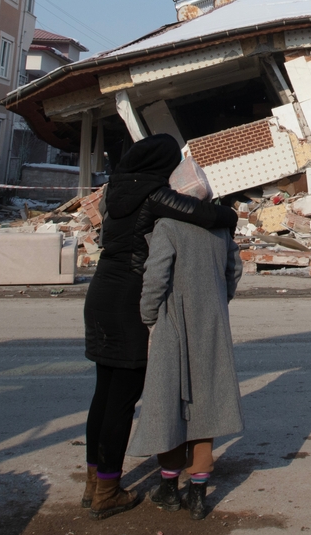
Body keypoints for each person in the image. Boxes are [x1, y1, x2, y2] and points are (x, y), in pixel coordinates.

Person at [82, 135, 238, 520]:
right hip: (129, 299)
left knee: (103, 393)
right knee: (122, 399)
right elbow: (203, 214)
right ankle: (107, 492)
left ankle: (93, 483)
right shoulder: (155, 196)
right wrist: (230, 216)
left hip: (101, 293)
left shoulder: (113, 191)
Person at [128, 158, 243, 520]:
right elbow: (234, 269)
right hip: (211, 322)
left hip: (173, 322)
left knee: (169, 404)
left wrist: (149, 316)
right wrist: (219, 299)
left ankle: (167, 487)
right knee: (207, 406)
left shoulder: (168, 226)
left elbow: (156, 276)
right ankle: (198, 492)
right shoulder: (220, 227)